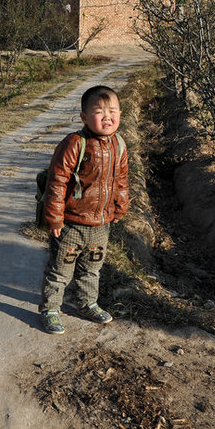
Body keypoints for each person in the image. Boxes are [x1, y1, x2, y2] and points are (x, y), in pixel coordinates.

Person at [38, 85, 129, 334]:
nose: (107, 117)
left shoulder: (119, 144)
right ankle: (50, 309)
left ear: (120, 114)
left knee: (92, 268)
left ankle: (87, 303)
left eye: (113, 111)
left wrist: (120, 207)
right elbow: (57, 182)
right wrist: (55, 219)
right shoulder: (75, 144)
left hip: (101, 225)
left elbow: (121, 179)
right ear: (84, 117)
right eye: (99, 112)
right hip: (71, 224)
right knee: (60, 270)